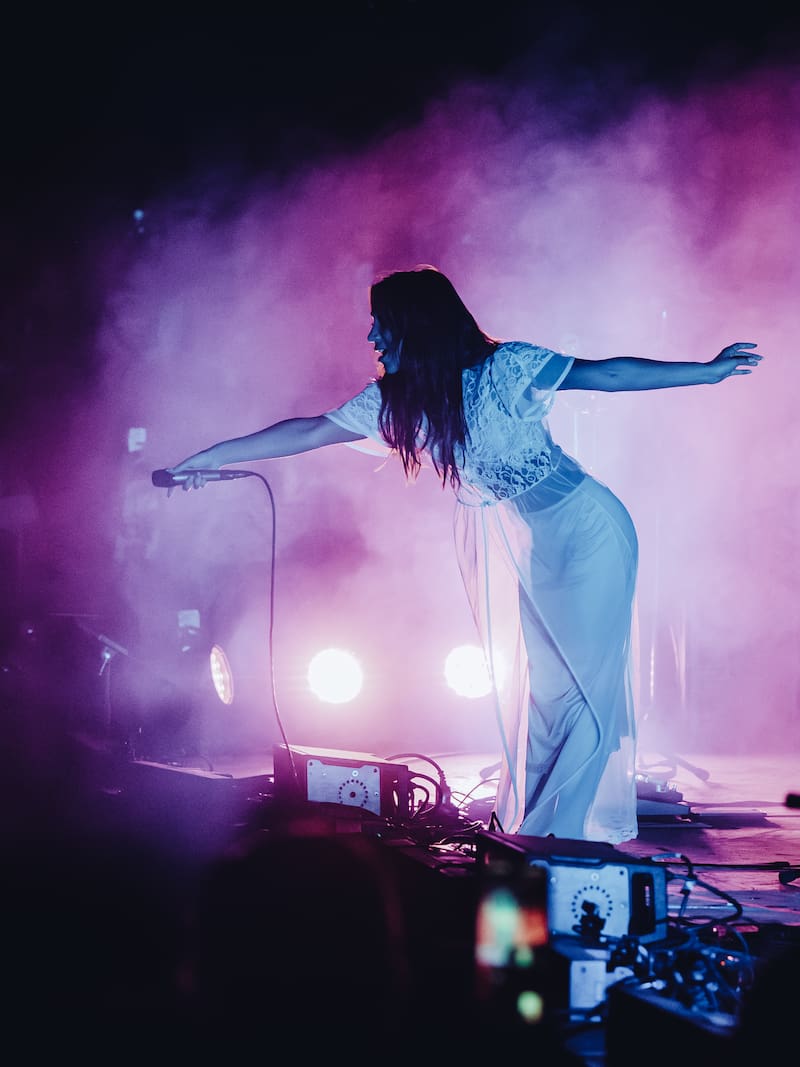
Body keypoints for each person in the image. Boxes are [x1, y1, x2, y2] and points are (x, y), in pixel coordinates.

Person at [165, 265, 762, 844]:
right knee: (548, 696)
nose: (371, 336)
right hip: (539, 547)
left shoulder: (507, 367)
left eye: (380, 322)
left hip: (590, 530)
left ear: (414, 324)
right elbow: (308, 431)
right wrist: (210, 458)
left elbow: (605, 374)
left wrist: (705, 372)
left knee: (587, 690)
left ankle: (557, 837)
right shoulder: (397, 401)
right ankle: (537, 834)